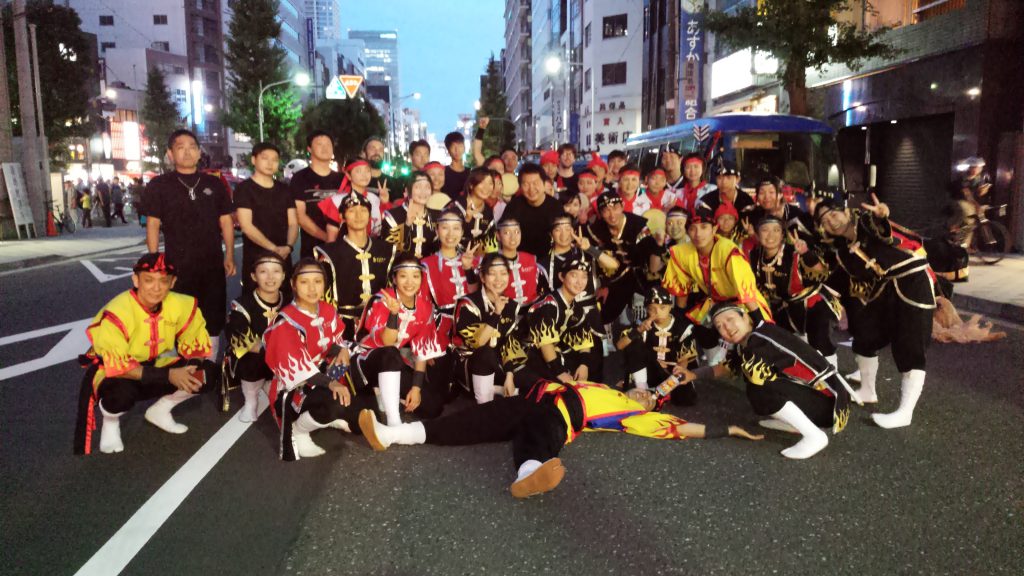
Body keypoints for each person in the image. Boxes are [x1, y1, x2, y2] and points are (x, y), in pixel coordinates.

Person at [358, 375, 762, 498]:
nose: (644, 393)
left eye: (651, 397)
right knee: (473, 421)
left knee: (542, 429)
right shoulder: (603, 383)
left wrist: (727, 428)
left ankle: (529, 473)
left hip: (561, 416)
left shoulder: (633, 413)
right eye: (644, 389)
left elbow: (678, 428)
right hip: (528, 400)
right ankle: (392, 435)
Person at [814, 196, 935, 429]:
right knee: (865, 334)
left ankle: (905, 412)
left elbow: (882, 228)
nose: (831, 220)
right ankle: (868, 390)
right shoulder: (843, 252)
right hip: (886, 289)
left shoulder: (866, 222)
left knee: (909, 346)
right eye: (824, 220)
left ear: (847, 211)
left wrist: (881, 214)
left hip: (913, 282)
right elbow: (840, 280)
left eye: (834, 213)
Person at [73, 253, 213, 455]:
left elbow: (195, 342)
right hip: (115, 372)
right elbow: (119, 366)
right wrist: (170, 376)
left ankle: (160, 411)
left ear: (172, 283)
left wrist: (193, 365)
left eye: (163, 281)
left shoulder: (181, 304)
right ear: (136, 280)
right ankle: (111, 422)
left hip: (154, 364)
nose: (156, 288)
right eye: (148, 280)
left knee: (206, 374)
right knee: (121, 395)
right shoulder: (117, 312)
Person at [701, 302, 853, 459]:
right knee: (758, 381)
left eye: (730, 319)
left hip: (830, 404)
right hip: (824, 397)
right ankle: (793, 422)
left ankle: (814, 436)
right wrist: (692, 375)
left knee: (758, 389)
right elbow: (727, 368)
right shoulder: (755, 335)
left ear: (745, 317)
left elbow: (751, 374)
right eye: (719, 326)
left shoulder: (759, 340)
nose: (727, 328)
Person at [263, 258, 377, 460]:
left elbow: (332, 340)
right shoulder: (286, 321)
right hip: (295, 386)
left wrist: (340, 349)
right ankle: (298, 431)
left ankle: (330, 416)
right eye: (305, 282)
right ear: (293, 284)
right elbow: (297, 369)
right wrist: (332, 383)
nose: (312, 288)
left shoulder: (326, 309)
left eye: (318, 281)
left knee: (358, 404)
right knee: (335, 404)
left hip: (325, 372)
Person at [143, 129, 235, 358]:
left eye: (192, 147)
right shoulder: (159, 185)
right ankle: (181, 370)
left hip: (212, 263)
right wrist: (155, 262)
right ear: (170, 154)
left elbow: (226, 221)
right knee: (176, 314)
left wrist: (229, 255)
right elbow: (153, 224)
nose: (187, 151)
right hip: (177, 265)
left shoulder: (214, 184)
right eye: (180, 147)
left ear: (199, 152)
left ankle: (209, 367)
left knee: (213, 315)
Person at [661, 202, 771, 364]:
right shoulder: (682, 253)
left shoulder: (728, 250)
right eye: (693, 228)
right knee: (696, 323)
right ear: (688, 231)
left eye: (704, 227)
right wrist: (679, 321)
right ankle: (715, 360)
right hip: (714, 301)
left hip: (743, 302)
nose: (698, 233)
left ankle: (755, 362)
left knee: (751, 335)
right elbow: (682, 291)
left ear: (714, 229)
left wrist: (760, 321)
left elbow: (746, 290)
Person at [351, 253, 450, 426]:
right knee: (391, 354)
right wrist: (394, 314)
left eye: (415, 276)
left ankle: (387, 394)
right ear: (394, 279)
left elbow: (422, 351)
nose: (410, 282)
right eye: (403, 276)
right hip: (365, 362)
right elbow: (387, 343)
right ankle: (394, 423)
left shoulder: (425, 307)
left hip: (394, 362)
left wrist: (416, 388)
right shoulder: (382, 299)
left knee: (433, 407)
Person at [749, 215, 839, 365]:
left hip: (815, 304)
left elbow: (822, 273)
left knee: (821, 344)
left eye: (776, 230)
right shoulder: (755, 255)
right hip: (786, 306)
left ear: (783, 235)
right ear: (757, 234)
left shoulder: (794, 251)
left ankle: (831, 378)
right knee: (775, 338)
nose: (770, 235)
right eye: (765, 230)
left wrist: (805, 253)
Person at [315, 192, 395, 341]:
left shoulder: (387, 250)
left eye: (364, 210)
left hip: (380, 324)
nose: (359, 216)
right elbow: (323, 300)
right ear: (341, 216)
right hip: (342, 327)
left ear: (370, 215)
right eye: (352, 211)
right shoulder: (329, 253)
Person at [516, 256, 603, 388]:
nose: (579, 282)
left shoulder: (576, 308)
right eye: (574, 275)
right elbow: (545, 345)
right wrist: (559, 372)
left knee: (592, 354)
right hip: (527, 353)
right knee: (559, 385)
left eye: (584, 276)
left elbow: (584, 341)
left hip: (552, 353)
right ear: (562, 277)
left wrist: (584, 365)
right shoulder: (548, 305)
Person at [452, 253, 525, 403]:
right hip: (471, 367)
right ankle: (484, 404)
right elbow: (479, 342)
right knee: (485, 353)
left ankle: (499, 388)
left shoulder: (511, 305)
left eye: (503, 274)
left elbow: (507, 343)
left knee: (527, 377)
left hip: (498, 363)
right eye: (492, 274)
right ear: (483, 278)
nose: (499, 279)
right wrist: (497, 313)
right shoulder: (468, 304)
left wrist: (509, 376)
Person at [224, 251, 286, 422]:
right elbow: (239, 335)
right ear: (253, 276)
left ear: (283, 276)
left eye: (276, 271)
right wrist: (272, 351)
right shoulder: (242, 303)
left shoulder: (289, 301)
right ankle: (251, 400)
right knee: (251, 357)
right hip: (255, 357)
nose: (270, 277)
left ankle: (272, 385)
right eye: (263, 271)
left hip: (282, 357)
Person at [616, 286, 699, 405]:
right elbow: (620, 345)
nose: (657, 312)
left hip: (673, 370)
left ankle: (656, 393)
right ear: (646, 310)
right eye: (651, 309)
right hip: (649, 368)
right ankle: (641, 387)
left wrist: (662, 390)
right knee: (634, 342)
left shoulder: (683, 327)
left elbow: (683, 362)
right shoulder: (642, 323)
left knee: (685, 399)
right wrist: (638, 330)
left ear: (670, 306)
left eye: (662, 307)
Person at [234, 142, 298, 294]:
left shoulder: (285, 189)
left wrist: (288, 246)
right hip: (256, 257)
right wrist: (274, 249)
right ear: (254, 160)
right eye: (265, 158)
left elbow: (293, 223)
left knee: (285, 301)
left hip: (283, 256)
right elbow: (246, 226)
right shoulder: (244, 189)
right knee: (256, 303)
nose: (270, 163)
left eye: (275, 159)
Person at [585, 191, 651, 327]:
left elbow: (647, 255)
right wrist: (603, 284)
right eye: (606, 211)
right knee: (603, 306)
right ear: (600, 213)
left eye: (615, 208)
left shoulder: (637, 224)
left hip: (641, 273)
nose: (611, 214)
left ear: (622, 206)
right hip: (613, 277)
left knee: (645, 306)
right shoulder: (596, 229)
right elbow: (597, 261)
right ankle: (606, 334)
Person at [421, 209, 479, 352]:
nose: (450, 234)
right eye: (445, 227)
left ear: (462, 231)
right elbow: (422, 307)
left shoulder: (475, 262)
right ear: (437, 230)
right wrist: (426, 342)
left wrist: (468, 269)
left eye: (456, 228)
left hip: (473, 328)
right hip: (440, 332)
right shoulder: (426, 265)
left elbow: (478, 298)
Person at [292, 130, 343, 257]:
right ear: (309, 148)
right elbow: (300, 216)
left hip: (341, 249)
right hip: (312, 250)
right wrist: (327, 237)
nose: (325, 148)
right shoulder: (300, 178)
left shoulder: (342, 179)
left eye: (328, 144)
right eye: (319, 144)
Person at [499, 163, 564, 257]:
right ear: (520, 187)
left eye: (535, 183)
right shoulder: (514, 206)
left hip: (549, 260)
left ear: (544, 183)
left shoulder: (555, 207)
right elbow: (503, 232)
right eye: (526, 184)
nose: (531, 189)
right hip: (520, 260)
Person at [321, 159, 383, 240]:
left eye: (367, 171)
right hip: (345, 250)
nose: (364, 175)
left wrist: (384, 202)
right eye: (358, 171)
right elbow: (331, 239)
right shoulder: (337, 201)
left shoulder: (375, 198)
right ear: (348, 175)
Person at [380, 170, 437, 258]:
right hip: (401, 270)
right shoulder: (392, 217)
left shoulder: (436, 216)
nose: (423, 192)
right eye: (418, 187)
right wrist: (407, 225)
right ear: (407, 190)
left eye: (427, 187)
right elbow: (388, 252)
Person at [495, 218, 544, 306]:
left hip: (532, 309)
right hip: (504, 311)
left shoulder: (531, 259)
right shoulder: (492, 262)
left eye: (517, 232)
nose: (513, 237)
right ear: (498, 235)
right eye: (507, 233)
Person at [448, 167, 497, 251]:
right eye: (482, 182)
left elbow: (489, 241)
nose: (486, 187)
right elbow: (445, 235)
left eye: (490, 183)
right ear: (471, 185)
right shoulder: (455, 207)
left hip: (477, 259)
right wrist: (466, 220)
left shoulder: (488, 211)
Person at [955, 156, 992, 247]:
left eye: (979, 167)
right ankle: (959, 243)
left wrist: (985, 189)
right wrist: (976, 205)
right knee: (969, 219)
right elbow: (967, 195)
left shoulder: (979, 179)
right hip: (959, 201)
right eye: (974, 167)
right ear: (969, 168)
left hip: (971, 202)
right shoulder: (964, 178)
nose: (976, 169)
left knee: (974, 222)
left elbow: (979, 193)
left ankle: (965, 246)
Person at [442, 131, 470, 197]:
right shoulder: (443, 172)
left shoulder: (470, 173)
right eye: (453, 147)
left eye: (460, 146)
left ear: (464, 148)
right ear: (448, 151)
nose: (457, 150)